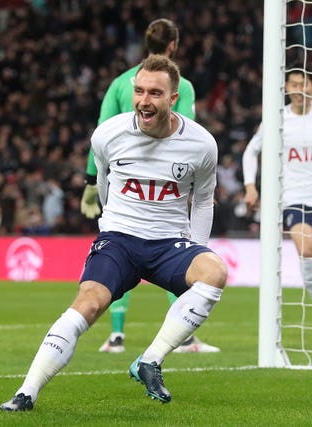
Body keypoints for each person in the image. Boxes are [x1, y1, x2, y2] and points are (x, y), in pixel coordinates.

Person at [0, 55, 227, 411]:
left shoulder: (201, 145)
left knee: (215, 272)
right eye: (139, 91)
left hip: (169, 243)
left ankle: (149, 360)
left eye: (155, 93)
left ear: (173, 98)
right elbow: (105, 185)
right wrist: (110, 227)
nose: (144, 101)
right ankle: (26, 392)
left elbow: (202, 202)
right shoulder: (108, 134)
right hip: (120, 239)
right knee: (87, 304)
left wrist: (195, 249)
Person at [81, 18, 219, 354]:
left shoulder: (119, 83)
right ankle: (183, 336)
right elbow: (185, 131)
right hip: (165, 179)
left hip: (121, 178)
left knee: (118, 248)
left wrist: (90, 181)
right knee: (175, 248)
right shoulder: (181, 86)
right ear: (173, 45)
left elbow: (102, 131)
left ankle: (116, 335)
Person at [242, 68, 312, 344]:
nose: (297, 89)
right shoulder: (277, 118)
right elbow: (251, 150)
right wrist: (250, 185)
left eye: (302, 84)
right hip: (295, 198)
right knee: (305, 250)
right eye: (292, 84)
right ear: (286, 87)